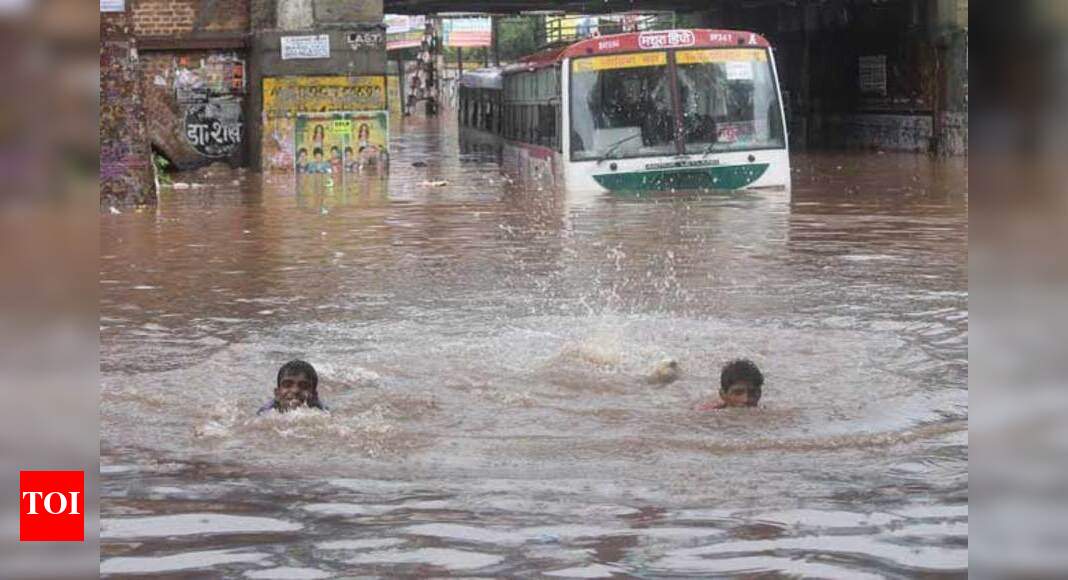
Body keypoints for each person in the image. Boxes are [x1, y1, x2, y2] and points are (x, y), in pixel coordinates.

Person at [257, 360, 328, 415]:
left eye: (303, 386)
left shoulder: (323, 412)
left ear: (314, 395)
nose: (295, 390)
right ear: (277, 393)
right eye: (287, 385)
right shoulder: (266, 411)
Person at [697, 358, 764, 410]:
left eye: (752, 393)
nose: (746, 399)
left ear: (759, 394)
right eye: (738, 393)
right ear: (723, 395)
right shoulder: (707, 414)